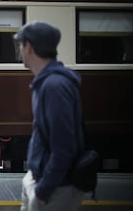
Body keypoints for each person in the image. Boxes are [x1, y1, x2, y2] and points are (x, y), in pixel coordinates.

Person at [14, 21, 85, 211]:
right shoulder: (46, 82)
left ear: (28, 47)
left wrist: (44, 191)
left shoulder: (54, 86)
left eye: (20, 45)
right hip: (39, 178)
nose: (20, 51)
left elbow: (64, 148)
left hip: (55, 188)